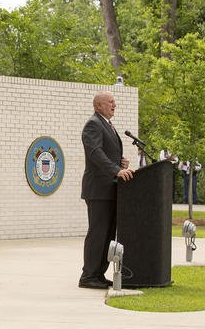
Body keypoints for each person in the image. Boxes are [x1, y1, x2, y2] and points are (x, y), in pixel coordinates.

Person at [79, 91, 134, 289]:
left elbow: (105, 153)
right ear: (99, 105)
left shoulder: (108, 125)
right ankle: (88, 276)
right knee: (98, 233)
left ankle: (98, 274)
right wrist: (116, 170)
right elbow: (94, 153)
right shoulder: (93, 124)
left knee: (108, 234)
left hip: (110, 189)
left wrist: (120, 163)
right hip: (98, 190)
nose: (114, 105)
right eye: (111, 102)